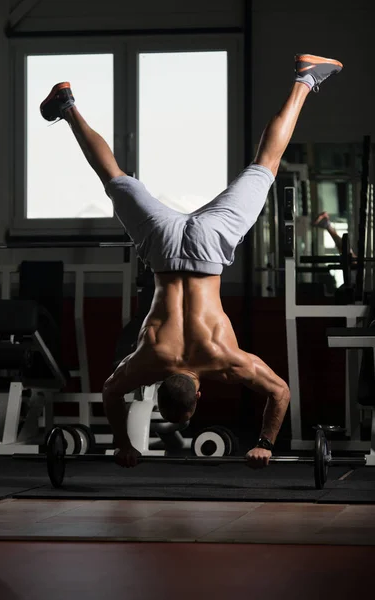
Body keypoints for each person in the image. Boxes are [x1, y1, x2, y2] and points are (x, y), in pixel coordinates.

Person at [40, 53, 343, 468]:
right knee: (112, 176)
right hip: (163, 247)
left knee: (265, 166)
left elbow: (281, 392)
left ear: (200, 394)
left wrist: (266, 444)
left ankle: (305, 82)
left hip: (210, 248)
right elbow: (111, 392)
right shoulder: (148, 361)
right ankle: (68, 105)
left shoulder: (223, 360)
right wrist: (122, 442)